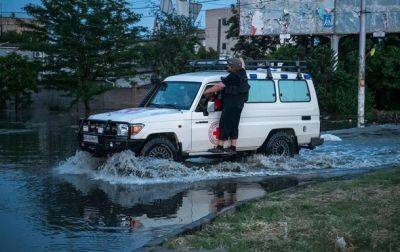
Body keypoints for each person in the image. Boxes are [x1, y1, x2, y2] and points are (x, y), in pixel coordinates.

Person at [203, 58, 249, 154]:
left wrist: (205, 92)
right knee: (234, 124)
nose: (227, 67)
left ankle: (220, 146)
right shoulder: (243, 73)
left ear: (234, 68)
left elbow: (218, 86)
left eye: (229, 66)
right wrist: (240, 59)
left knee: (224, 124)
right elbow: (242, 64)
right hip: (239, 105)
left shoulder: (233, 76)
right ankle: (233, 148)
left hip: (231, 104)